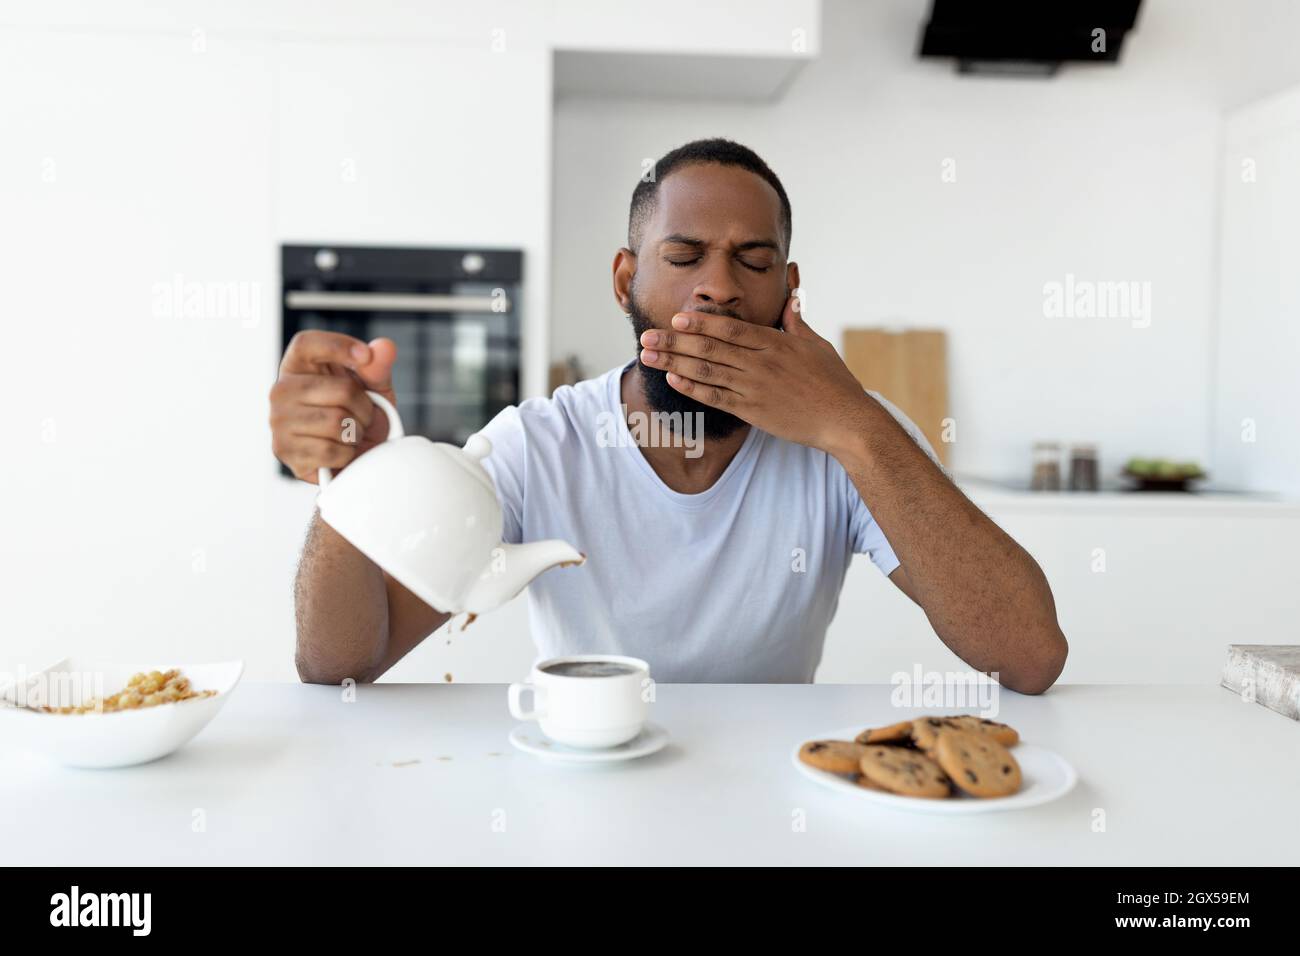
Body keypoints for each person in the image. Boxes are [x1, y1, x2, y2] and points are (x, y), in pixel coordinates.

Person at [270, 138, 1068, 688]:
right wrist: (351, 486)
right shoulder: (538, 445)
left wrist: (851, 425)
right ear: (627, 282)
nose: (718, 286)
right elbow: (342, 666)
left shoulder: (852, 434)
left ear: (789, 290)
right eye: (684, 257)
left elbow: (1028, 657)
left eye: (753, 261)